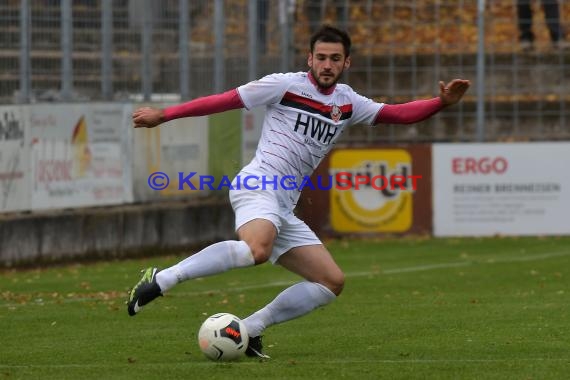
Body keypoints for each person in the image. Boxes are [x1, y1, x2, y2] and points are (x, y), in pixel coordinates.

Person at [127, 25, 470, 358]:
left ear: (346, 63)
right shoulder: (284, 86)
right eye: (321, 57)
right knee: (256, 250)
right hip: (259, 184)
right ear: (309, 58)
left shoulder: (347, 102)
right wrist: (165, 115)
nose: (327, 65)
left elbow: (397, 114)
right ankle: (163, 278)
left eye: (335, 58)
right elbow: (226, 100)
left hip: (283, 206)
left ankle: (249, 329)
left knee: (330, 282)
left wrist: (440, 102)